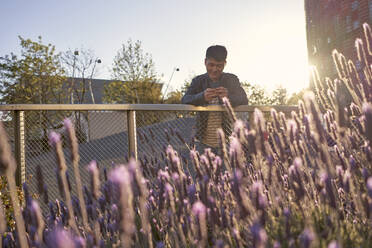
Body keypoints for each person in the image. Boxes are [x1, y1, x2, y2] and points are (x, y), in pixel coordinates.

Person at [182, 45, 248, 151]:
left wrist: (228, 97)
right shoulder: (198, 81)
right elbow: (185, 100)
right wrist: (202, 96)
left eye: (219, 66)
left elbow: (244, 99)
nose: (214, 69)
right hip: (203, 140)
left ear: (225, 64)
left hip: (227, 140)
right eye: (211, 65)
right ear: (205, 62)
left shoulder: (232, 79)